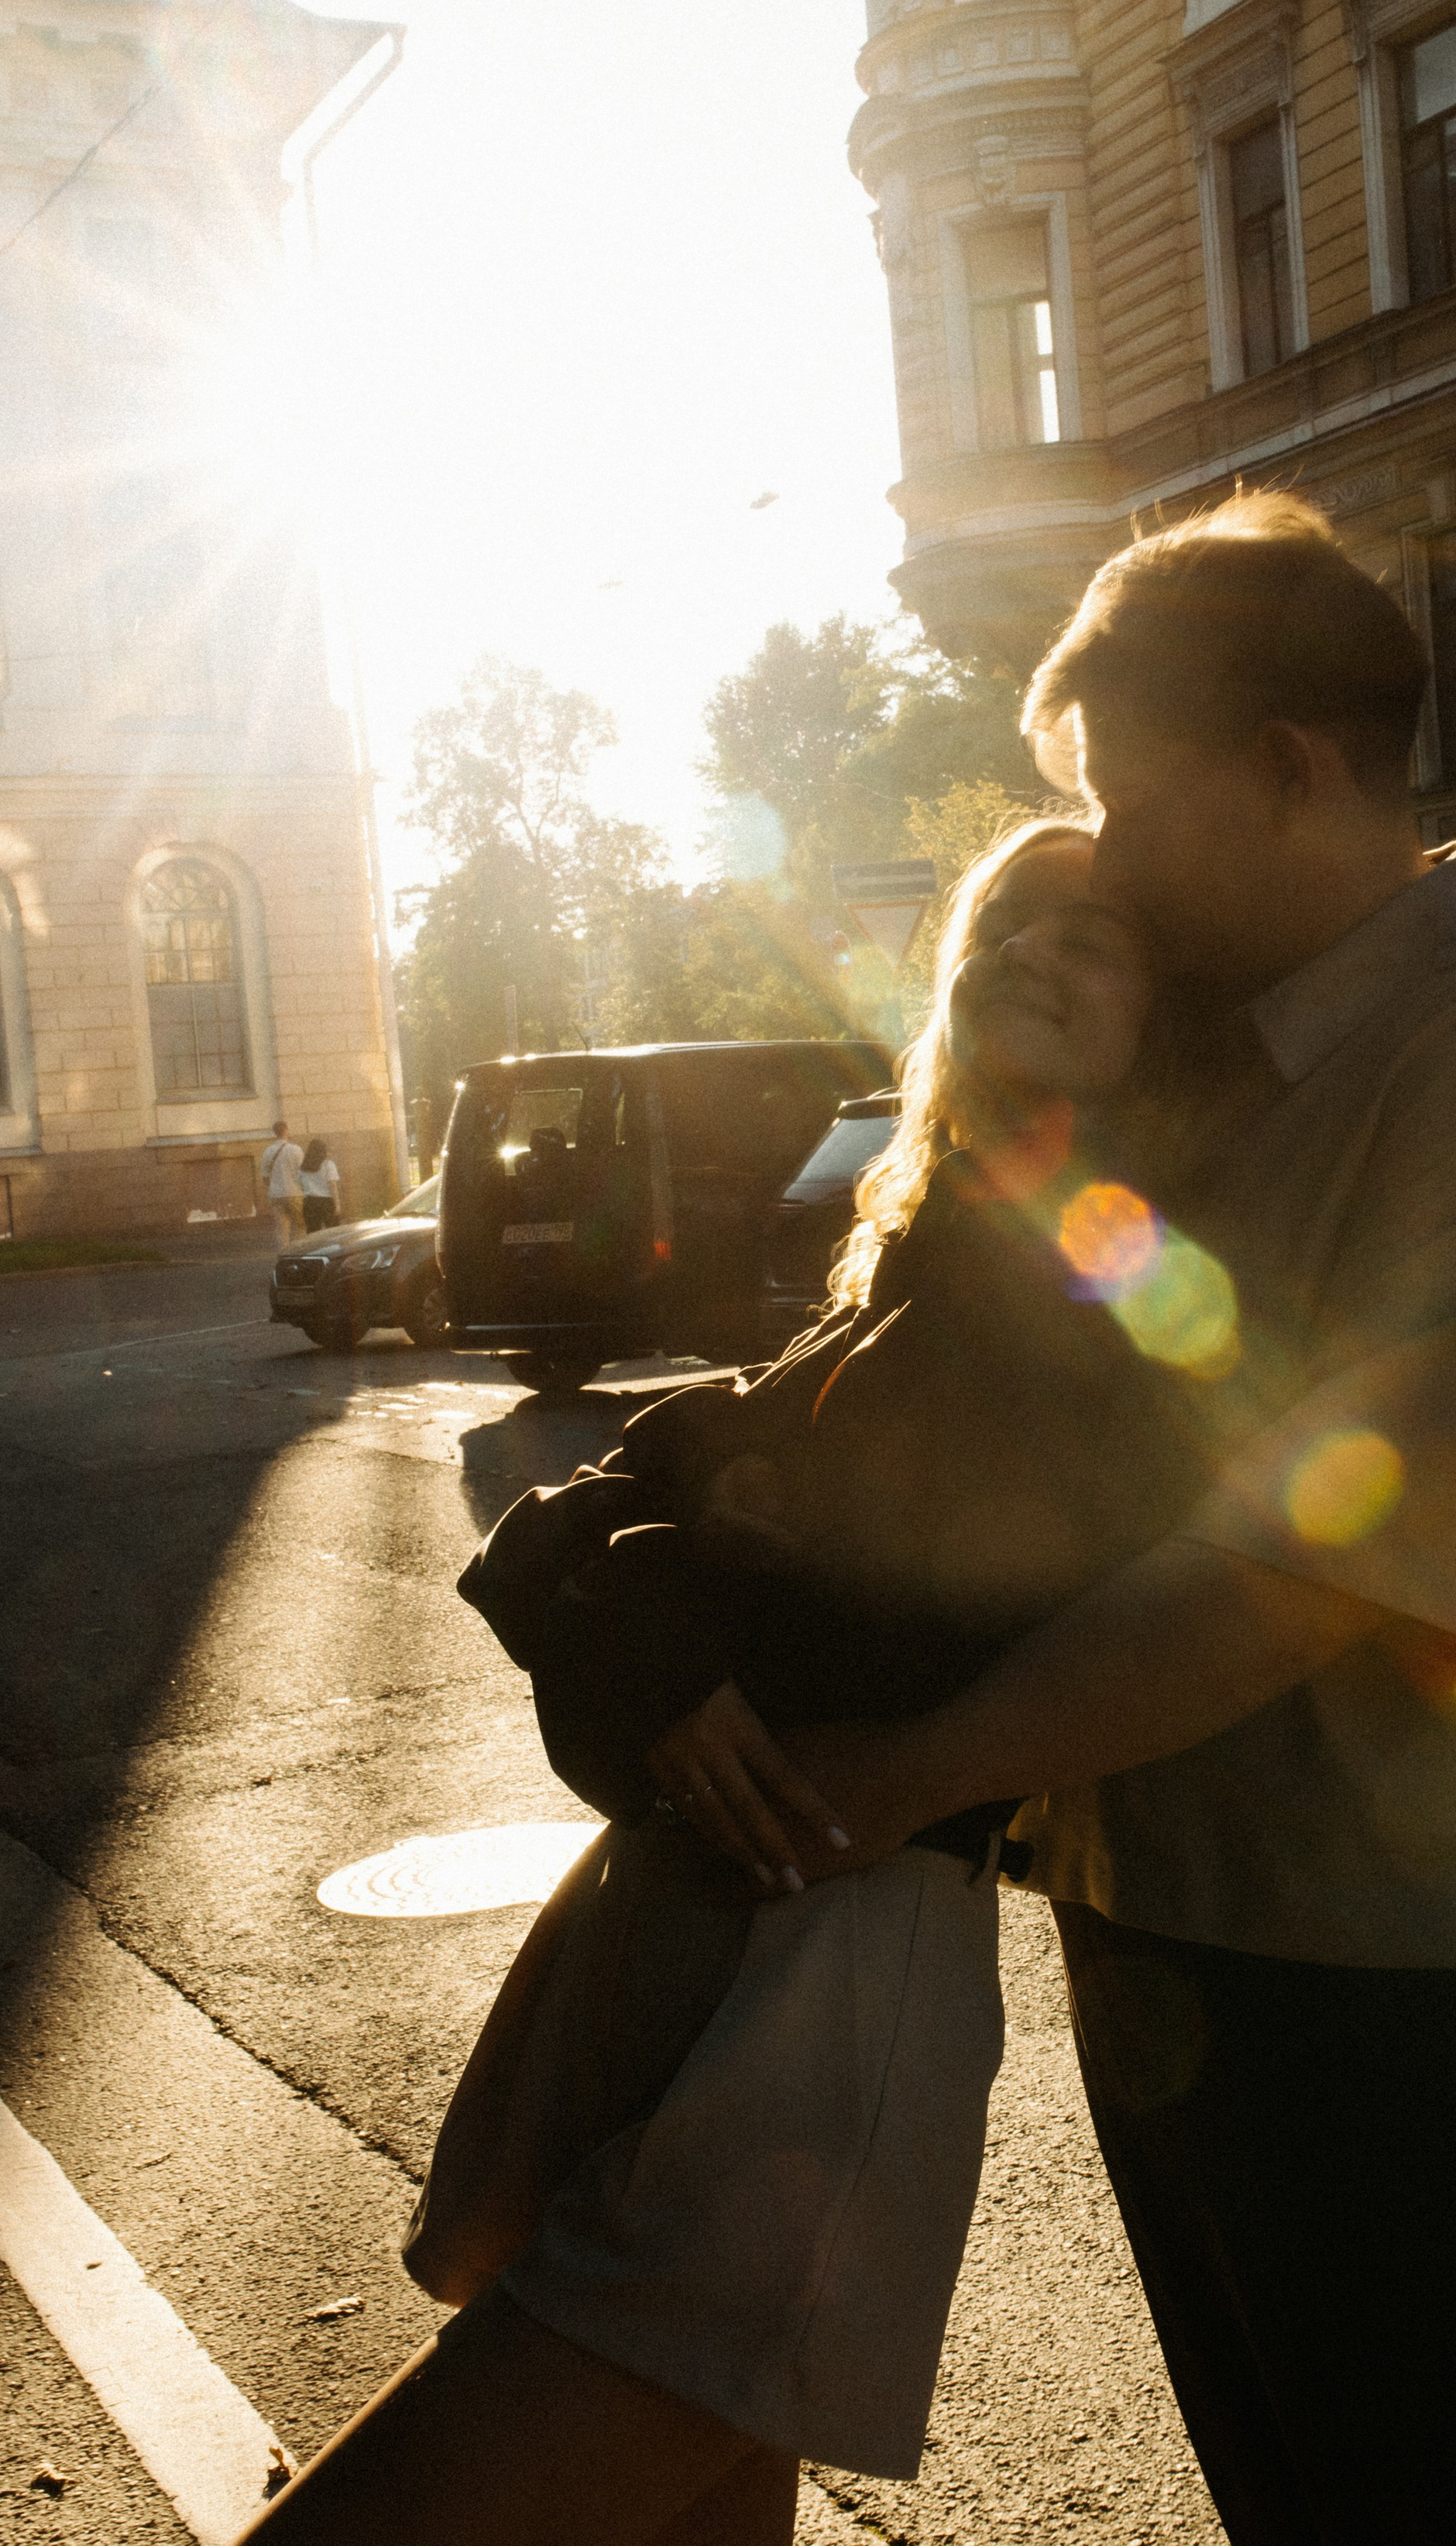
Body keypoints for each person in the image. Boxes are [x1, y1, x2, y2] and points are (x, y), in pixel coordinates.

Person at [691, 494, 1456, 2545]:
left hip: (1441, 2013)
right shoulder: (1236, 1058)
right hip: (1191, 1963)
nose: (1118, 867)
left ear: (1289, 771)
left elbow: (1309, 1571)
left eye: (1131, 808)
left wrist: (902, 1771)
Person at [233, 819, 1213, 2546]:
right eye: (1003, 930)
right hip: (726, 1933)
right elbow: (610, 1492)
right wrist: (650, 1596)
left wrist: (666, 1588)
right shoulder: (923, 1261)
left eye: (1101, 937)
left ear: (1171, 1015)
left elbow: (869, 1602)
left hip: (837, 1976)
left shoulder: (1122, 1264)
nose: (1039, 955)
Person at [259, 1121, 306, 1247]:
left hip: (276, 1195)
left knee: (281, 1231)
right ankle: (299, 1255)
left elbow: (265, 1176)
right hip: (295, 1193)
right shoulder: (296, 1150)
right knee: (300, 1227)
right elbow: (302, 1173)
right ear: (286, 1130)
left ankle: (284, 1257)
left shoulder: (268, 1151)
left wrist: (273, 1188)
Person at [298, 1138, 340, 1237]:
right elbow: (332, 1185)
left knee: (313, 1235)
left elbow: (300, 1184)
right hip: (327, 1202)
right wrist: (337, 1204)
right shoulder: (328, 1165)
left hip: (309, 1202)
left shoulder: (303, 1167)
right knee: (334, 1234)